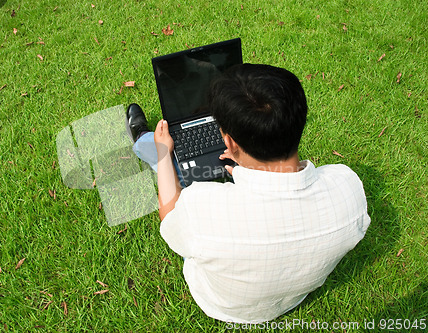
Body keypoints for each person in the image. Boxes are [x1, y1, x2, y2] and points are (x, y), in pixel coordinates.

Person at [125, 64, 370, 323]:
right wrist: (248, 165)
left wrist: (165, 151)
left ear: (229, 142)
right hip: (293, 297)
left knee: (166, 156)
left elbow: (169, 216)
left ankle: (145, 140)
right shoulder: (348, 189)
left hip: (221, 304)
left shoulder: (201, 208)